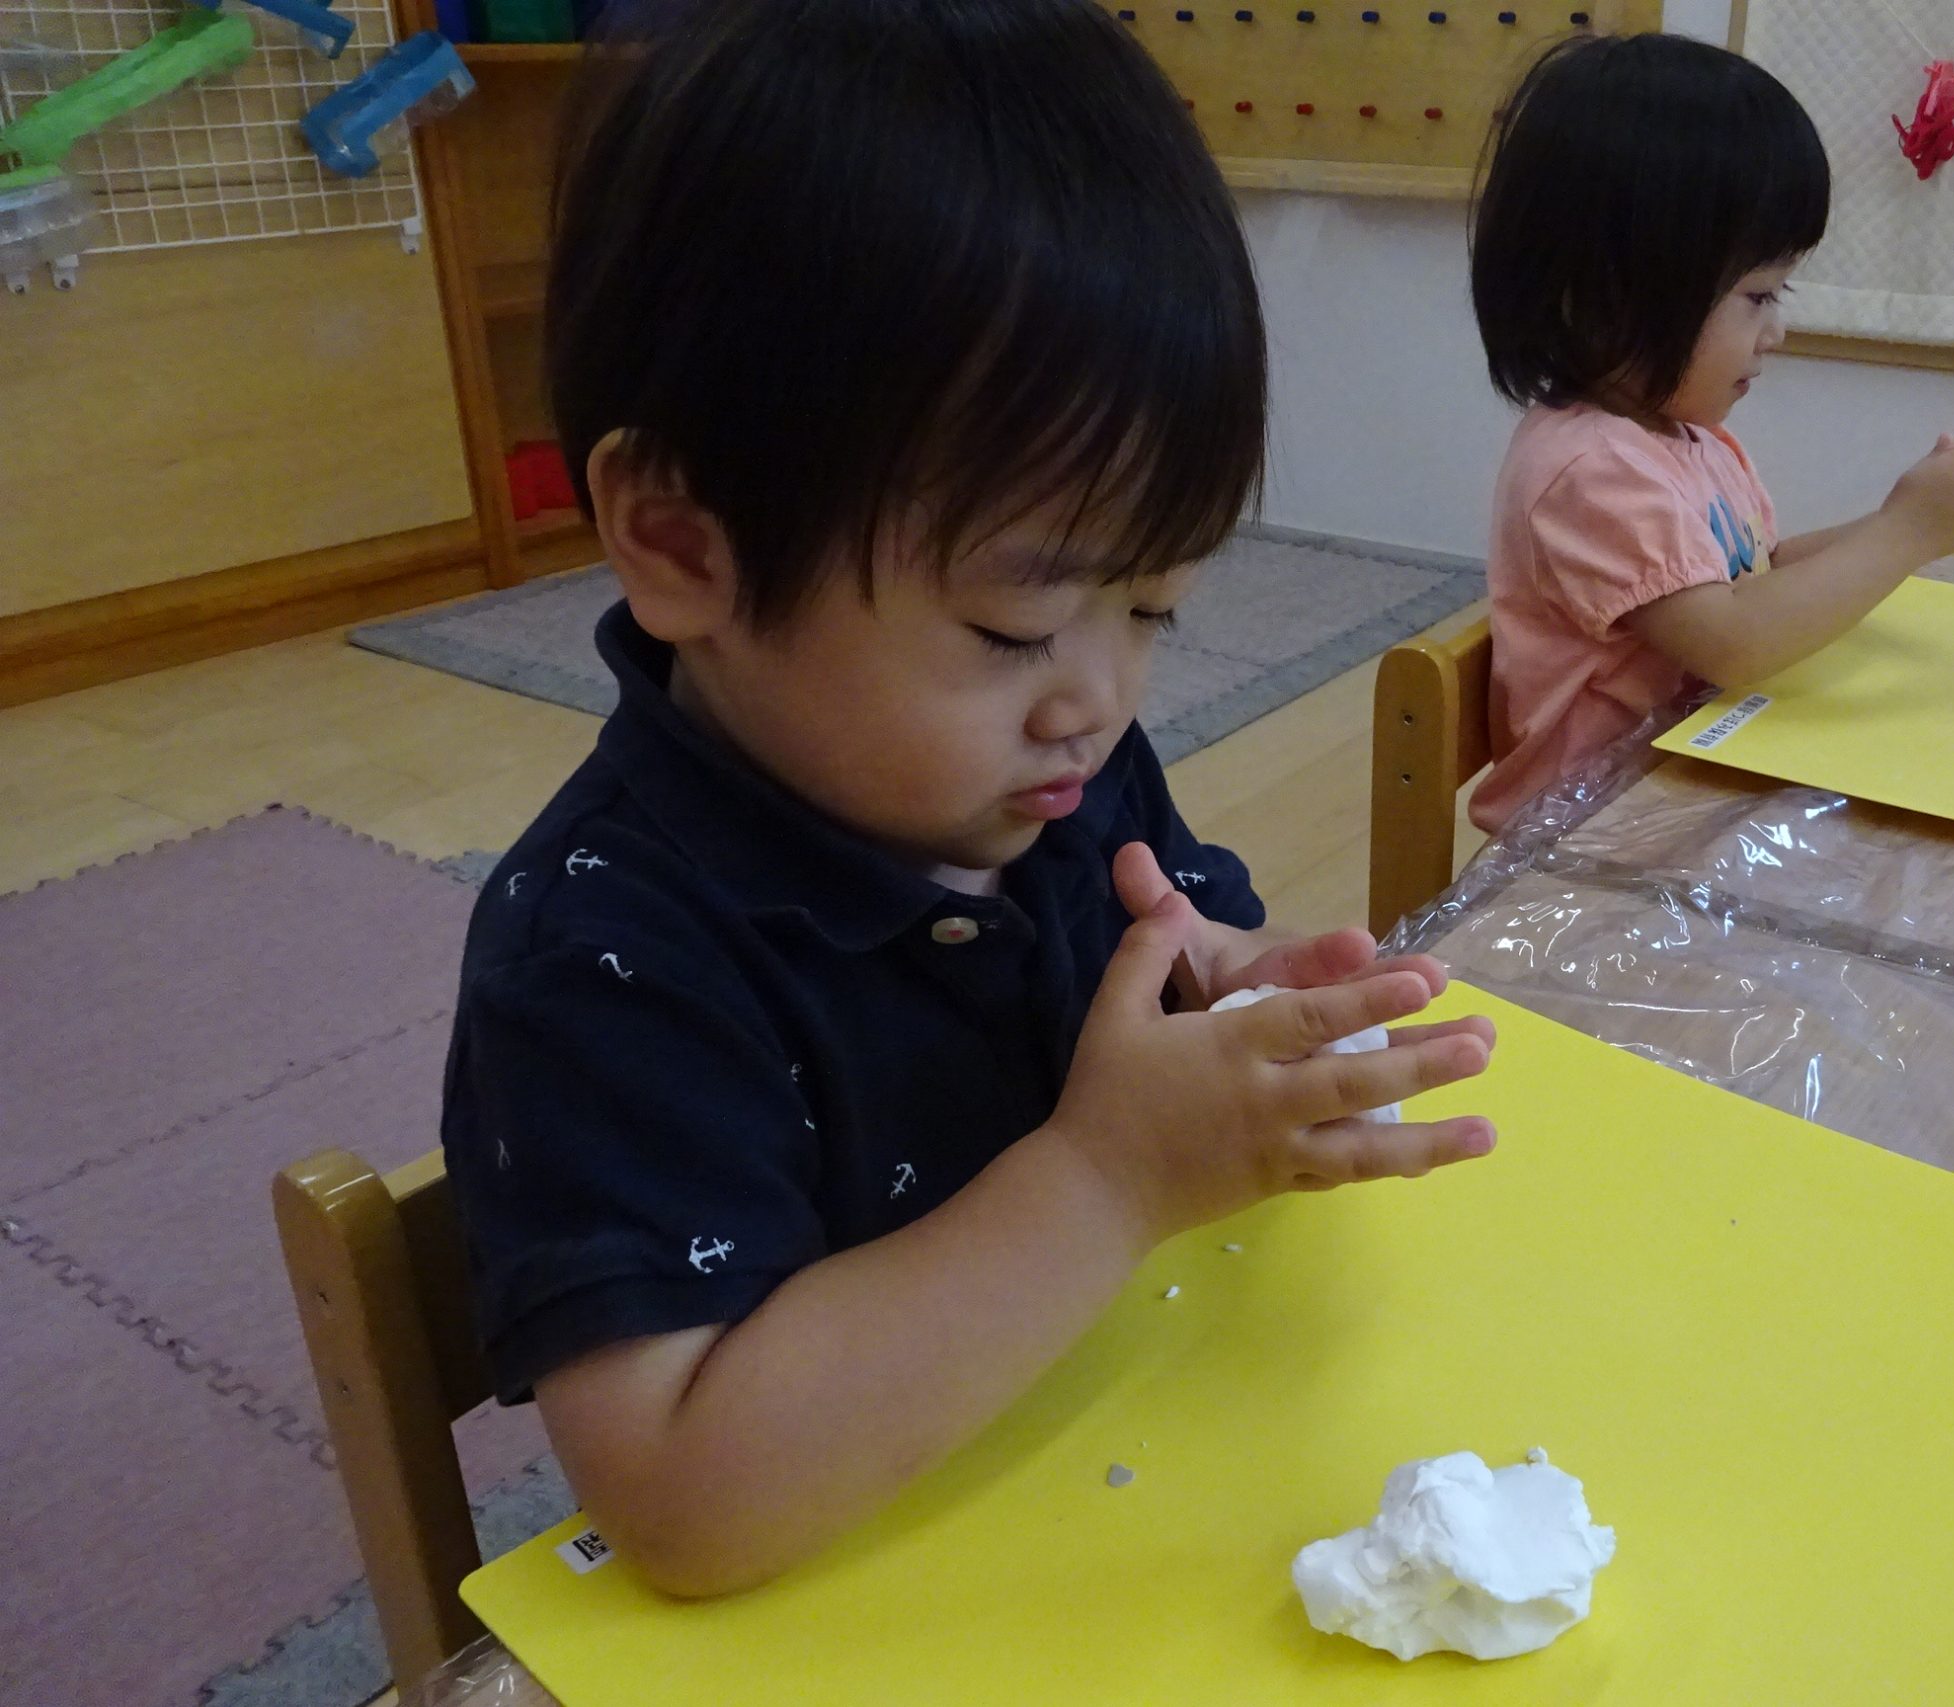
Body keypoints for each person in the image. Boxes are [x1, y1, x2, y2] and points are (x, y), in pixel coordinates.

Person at [440, 0, 1497, 1597]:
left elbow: (1181, 935)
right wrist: (1109, 1179)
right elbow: (682, 1503)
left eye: (1154, 606)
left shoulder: (1052, 767)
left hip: (1110, 1481)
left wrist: (1231, 988)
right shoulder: (604, 955)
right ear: (680, 543)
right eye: (1015, 626)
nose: (1100, 697)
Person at [1466, 33, 1954, 831]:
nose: (1776, 331)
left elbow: (1757, 577)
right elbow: (1735, 639)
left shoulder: (1688, 440)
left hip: (1697, 782)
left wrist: (1920, 520)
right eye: (1757, 296)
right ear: (1613, 292)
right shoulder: (1589, 468)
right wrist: (1909, 530)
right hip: (1590, 836)